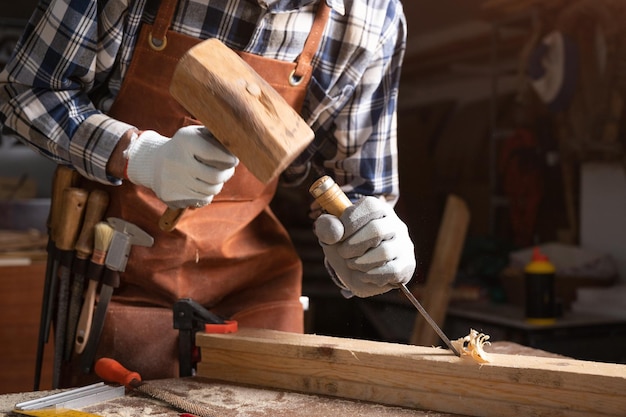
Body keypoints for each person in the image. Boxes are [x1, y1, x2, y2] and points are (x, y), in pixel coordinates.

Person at [0, 0, 416, 385]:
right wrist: (139, 156)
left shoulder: (373, 15)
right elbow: (25, 91)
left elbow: (359, 190)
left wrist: (368, 248)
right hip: (118, 279)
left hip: (255, 287)